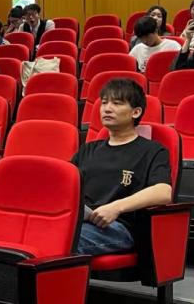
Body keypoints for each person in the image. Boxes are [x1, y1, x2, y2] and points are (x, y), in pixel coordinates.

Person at [71, 78, 173, 255]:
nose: (107, 108)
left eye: (117, 103)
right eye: (104, 103)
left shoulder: (152, 150)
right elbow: (65, 185)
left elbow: (163, 192)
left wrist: (115, 207)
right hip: (80, 221)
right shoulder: (88, 149)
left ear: (136, 112)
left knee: (60, 240)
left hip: (118, 226)